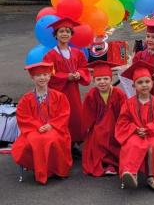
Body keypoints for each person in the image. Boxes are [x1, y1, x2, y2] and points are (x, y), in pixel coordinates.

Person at [12, 62, 72, 185]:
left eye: (45, 74)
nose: (42, 78)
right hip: (34, 129)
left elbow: (64, 114)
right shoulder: (26, 99)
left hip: (55, 128)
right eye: (38, 75)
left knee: (53, 139)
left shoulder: (59, 96)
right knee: (35, 141)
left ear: (50, 76)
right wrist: (37, 126)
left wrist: (51, 125)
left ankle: (57, 170)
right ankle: (41, 171)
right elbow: (23, 117)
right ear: (32, 78)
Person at [116, 60, 154, 190]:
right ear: (134, 86)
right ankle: (130, 174)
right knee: (132, 143)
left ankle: (152, 177)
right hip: (134, 133)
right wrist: (135, 129)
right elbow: (123, 121)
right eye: (140, 82)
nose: (144, 85)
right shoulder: (128, 104)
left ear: (152, 83)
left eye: (147, 81)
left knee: (153, 146)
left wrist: (148, 128)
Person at [43, 17, 90, 156]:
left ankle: (72, 144)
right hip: (58, 92)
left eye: (68, 31)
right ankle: (61, 144)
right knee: (60, 117)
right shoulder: (50, 55)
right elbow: (48, 74)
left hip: (73, 91)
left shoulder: (77, 53)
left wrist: (79, 74)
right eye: (61, 31)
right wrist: (65, 76)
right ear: (55, 34)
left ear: (71, 34)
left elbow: (84, 67)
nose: (65, 34)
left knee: (75, 116)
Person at [82, 60, 127, 177]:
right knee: (97, 134)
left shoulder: (119, 94)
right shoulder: (91, 94)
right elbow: (88, 115)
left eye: (106, 79)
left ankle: (111, 163)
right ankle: (104, 163)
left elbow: (124, 114)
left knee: (109, 133)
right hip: (98, 127)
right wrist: (89, 128)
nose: (102, 82)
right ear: (93, 81)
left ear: (111, 80)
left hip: (116, 126)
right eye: (99, 79)